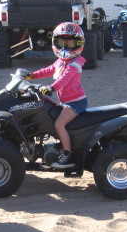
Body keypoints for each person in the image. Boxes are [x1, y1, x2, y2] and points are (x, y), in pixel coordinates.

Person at [25, 22, 87, 169]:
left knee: (59, 124)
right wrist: (31, 75)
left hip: (75, 102)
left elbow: (64, 79)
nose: (65, 47)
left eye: (70, 43)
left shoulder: (75, 63)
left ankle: (68, 154)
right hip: (66, 101)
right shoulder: (61, 61)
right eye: (61, 42)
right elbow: (48, 70)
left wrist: (51, 87)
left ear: (78, 44)